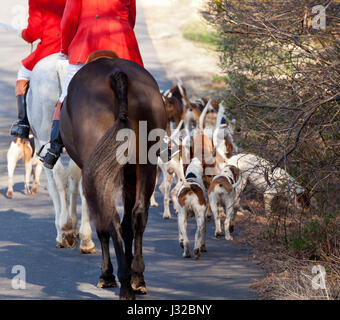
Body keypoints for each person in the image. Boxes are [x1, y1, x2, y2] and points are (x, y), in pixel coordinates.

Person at [41, 0, 143, 169]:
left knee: (66, 95)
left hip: (88, 42)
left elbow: (69, 20)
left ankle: (54, 148)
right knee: (143, 91)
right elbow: (131, 17)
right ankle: (160, 141)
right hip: (122, 41)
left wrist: (65, 49)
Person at [10, 0, 66, 139]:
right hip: (71, 48)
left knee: (22, 73)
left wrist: (23, 34)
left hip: (49, 49)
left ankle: (23, 123)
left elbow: (34, 32)